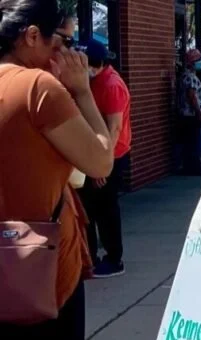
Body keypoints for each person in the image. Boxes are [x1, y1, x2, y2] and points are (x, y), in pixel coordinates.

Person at [0, 2, 114, 340]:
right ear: (30, 37)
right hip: (42, 268)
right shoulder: (41, 90)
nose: (68, 54)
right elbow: (99, 162)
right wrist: (85, 93)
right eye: (61, 40)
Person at [79, 38, 130, 279]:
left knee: (106, 210)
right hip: (94, 154)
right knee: (89, 208)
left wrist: (103, 165)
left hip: (111, 156)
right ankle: (90, 257)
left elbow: (114, 128)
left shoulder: (110, 84)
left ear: (96, 63)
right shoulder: (92, 82)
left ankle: (113, 259)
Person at [177, 48, 201, 175]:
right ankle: (193, 167)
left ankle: (192, 166)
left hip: (188, 115)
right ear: (192, 62)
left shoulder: (189, 76)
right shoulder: (189, 77)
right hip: (191, 115)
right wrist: (199, 113)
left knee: (192, 142)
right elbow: (192, 96)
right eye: (199, 60)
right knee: (193, 143)